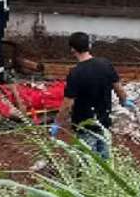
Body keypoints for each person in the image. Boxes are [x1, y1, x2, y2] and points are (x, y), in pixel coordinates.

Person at [50, 31, 133, 160]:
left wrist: (57, 123)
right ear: (89, 46)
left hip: (84, 125)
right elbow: (118, 87)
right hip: (104, 120)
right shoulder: (106, 64)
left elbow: (67, 104)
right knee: (105, 159)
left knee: (87, 160)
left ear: (72, 49)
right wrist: (124, 101)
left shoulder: (76, 73)